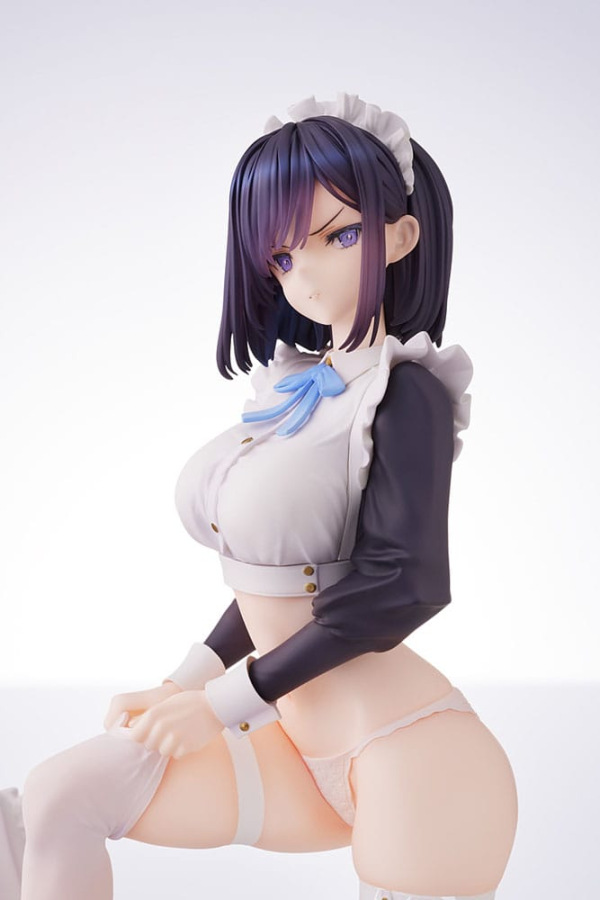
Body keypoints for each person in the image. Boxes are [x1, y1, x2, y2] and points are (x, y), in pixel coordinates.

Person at [1, 94, 518, 900]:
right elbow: (283, 582)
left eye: (339, 236)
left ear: (400, 237)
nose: (304, 273)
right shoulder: (297, 390)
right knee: (54, 799)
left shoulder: (406, 392)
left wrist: (221, 701)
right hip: (290, 739)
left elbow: (404, 585)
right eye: (281, 255)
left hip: (409, 748)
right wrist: (187, 681)